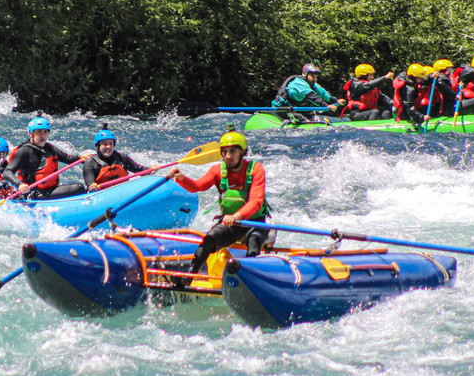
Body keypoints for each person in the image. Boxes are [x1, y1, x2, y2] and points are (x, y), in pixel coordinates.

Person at [166, 129, 271, 285]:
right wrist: (181, 178)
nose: (228, 156)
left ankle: (249, 282)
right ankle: (188, 277)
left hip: (254, 222)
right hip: (231, 224)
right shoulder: (217, 170)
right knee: (208, 239)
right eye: (225, 152)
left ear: (242, 152)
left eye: (233, 151)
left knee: (254, 241)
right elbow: (197, 186)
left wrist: (236, 217)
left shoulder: (256, 169)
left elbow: (256, 202)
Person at [1, 116, 87, 200]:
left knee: (79, 188)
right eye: (39, 132)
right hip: (34, 194)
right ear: (31, 134)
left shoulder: (49, 148)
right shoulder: (24, 151)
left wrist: (81, 157)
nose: (42, 135)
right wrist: (20, 184)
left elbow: (68, 159)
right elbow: (7, 172)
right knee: (79, 188)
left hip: (49, 190)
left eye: (45, 132)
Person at [82, 125, 154, 191]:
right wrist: (92, 187)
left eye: (111, 143)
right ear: (98, 145)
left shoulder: (122, 158)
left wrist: (151, 170)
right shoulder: (90, 163)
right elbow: (90, 185)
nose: (108, 147)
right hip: (102, 196)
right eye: (104, 143)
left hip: (123, 193)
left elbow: (140, 170)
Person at [271, 63, 345, 121]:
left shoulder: (312, 84)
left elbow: (323, 93)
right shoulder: (298, 83)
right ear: (305, 74)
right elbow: (312, 97)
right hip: (284, 109)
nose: (315, 79)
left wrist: (336, 100)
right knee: (306, 121)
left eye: (316, 77)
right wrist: (326, 106)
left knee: (315, 119)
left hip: (299, 109)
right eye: (312, 76)